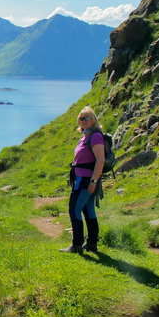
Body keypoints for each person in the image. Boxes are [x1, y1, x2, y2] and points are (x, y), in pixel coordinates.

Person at [62, 105, 106, 254]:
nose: (83, 120)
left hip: (86, 180)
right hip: (82, 178)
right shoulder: (85, 137)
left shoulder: (95, 136)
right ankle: (92, 244)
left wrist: (93, 182)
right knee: (88, 210)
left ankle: (77, 245)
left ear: (94, 119)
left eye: (86, 117)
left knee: (74, 210)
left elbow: (100, 161)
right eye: (81, 118)